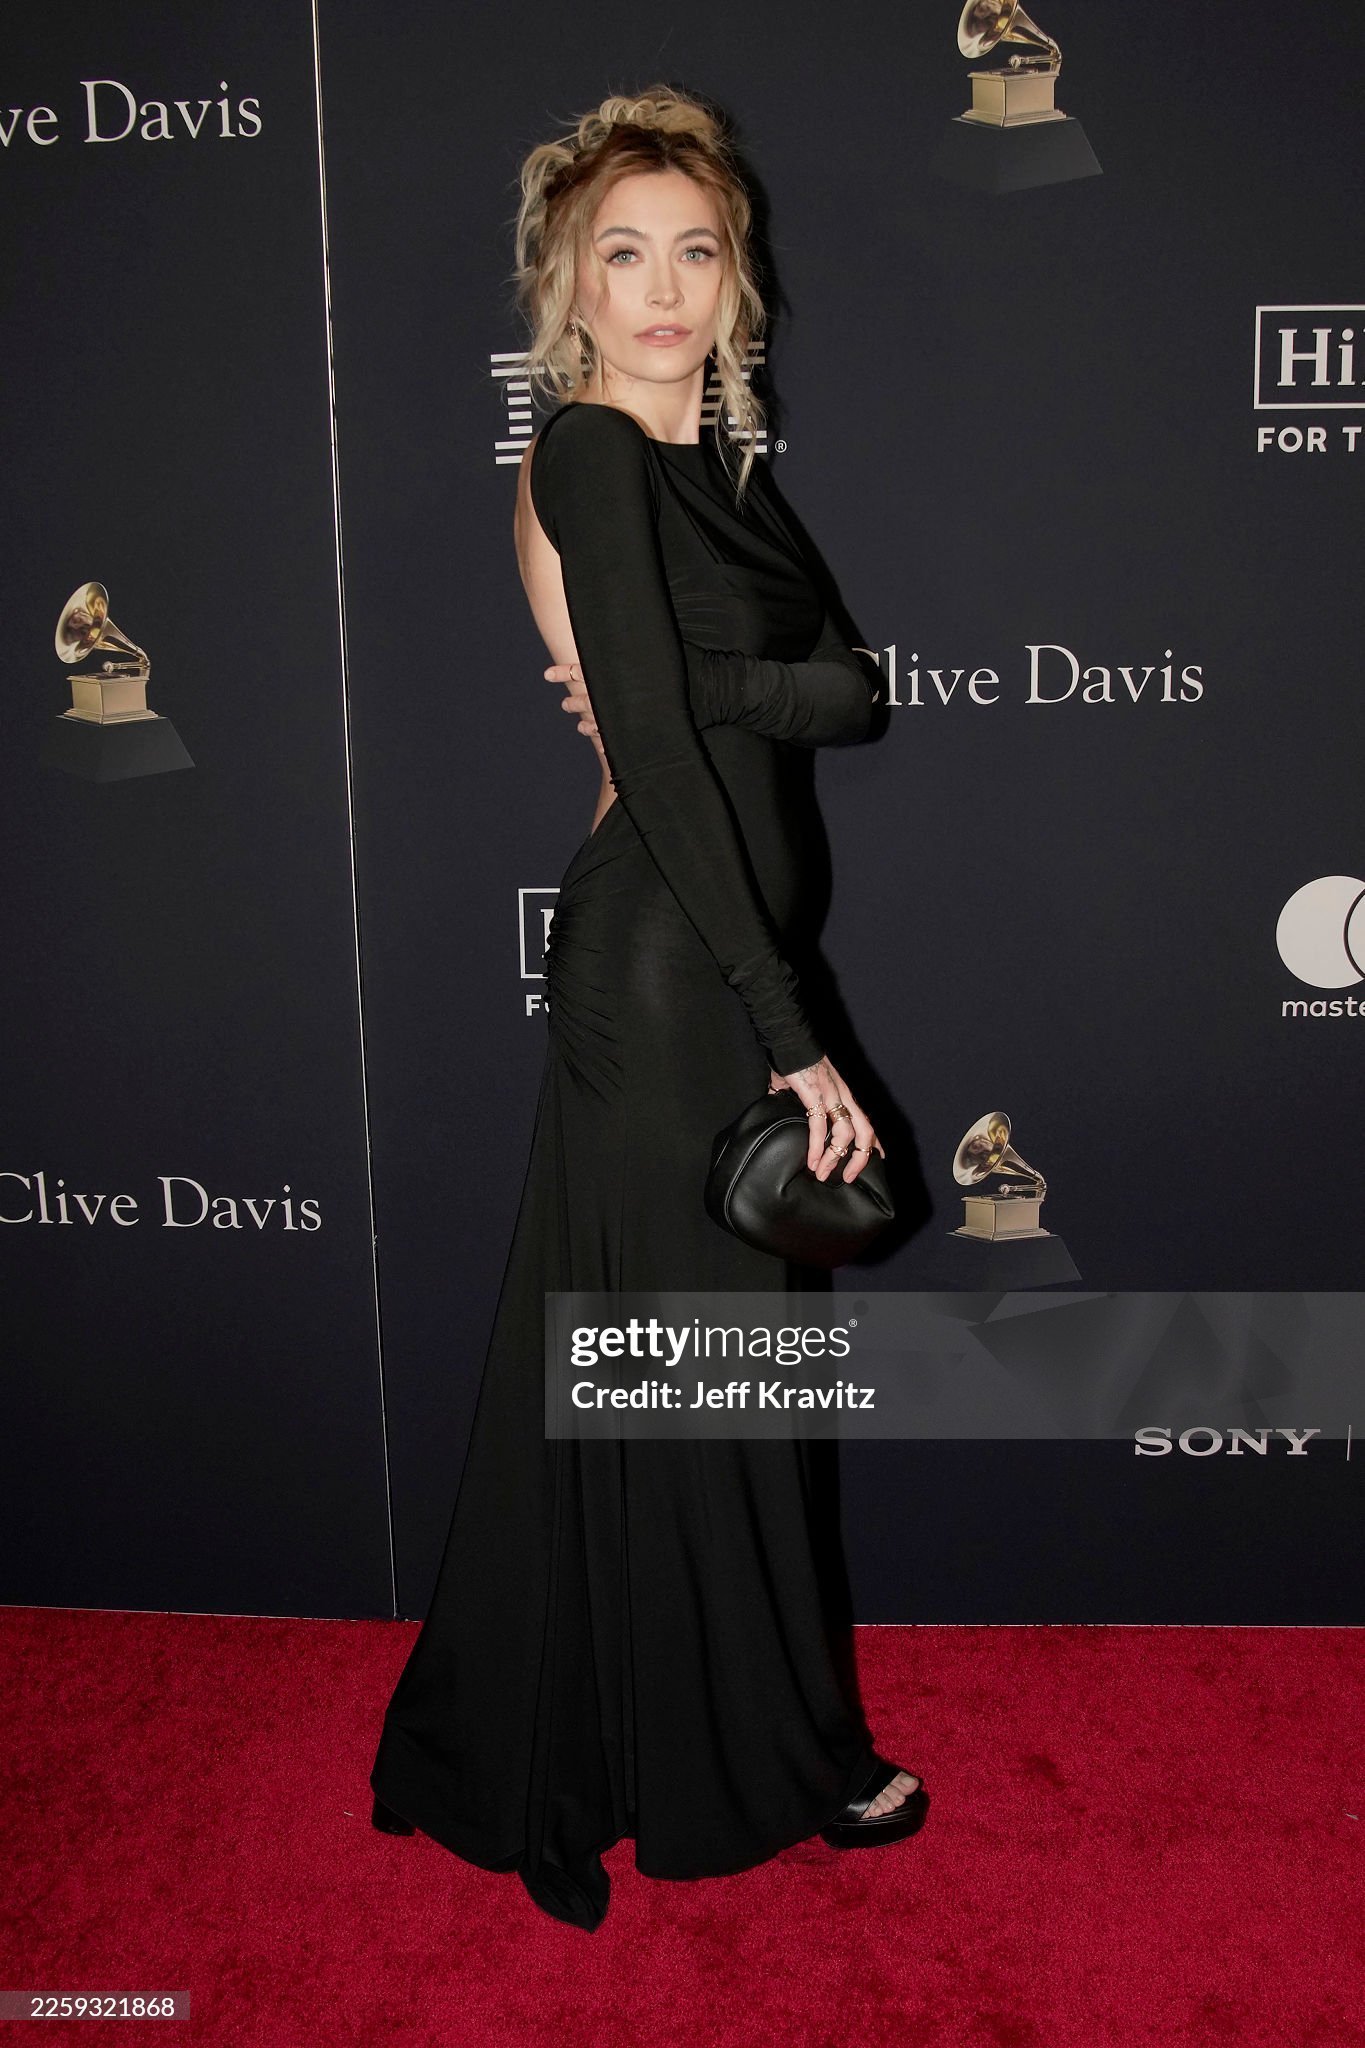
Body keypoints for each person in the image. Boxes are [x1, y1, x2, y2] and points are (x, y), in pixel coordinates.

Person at [368, 83, 928, 1934]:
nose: (666, 288)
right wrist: (789, 1027)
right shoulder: (594, 452)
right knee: (692, 1384)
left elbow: (850, 694)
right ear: (572, 288)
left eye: (697, 251)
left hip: (722, 959)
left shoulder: (731, 481)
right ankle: (749, 1759)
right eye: (626, 255)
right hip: (670, 969)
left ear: (735, 281)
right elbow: (666, 776)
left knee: (680, 1385)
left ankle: (611, 1743)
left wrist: (709, 683)